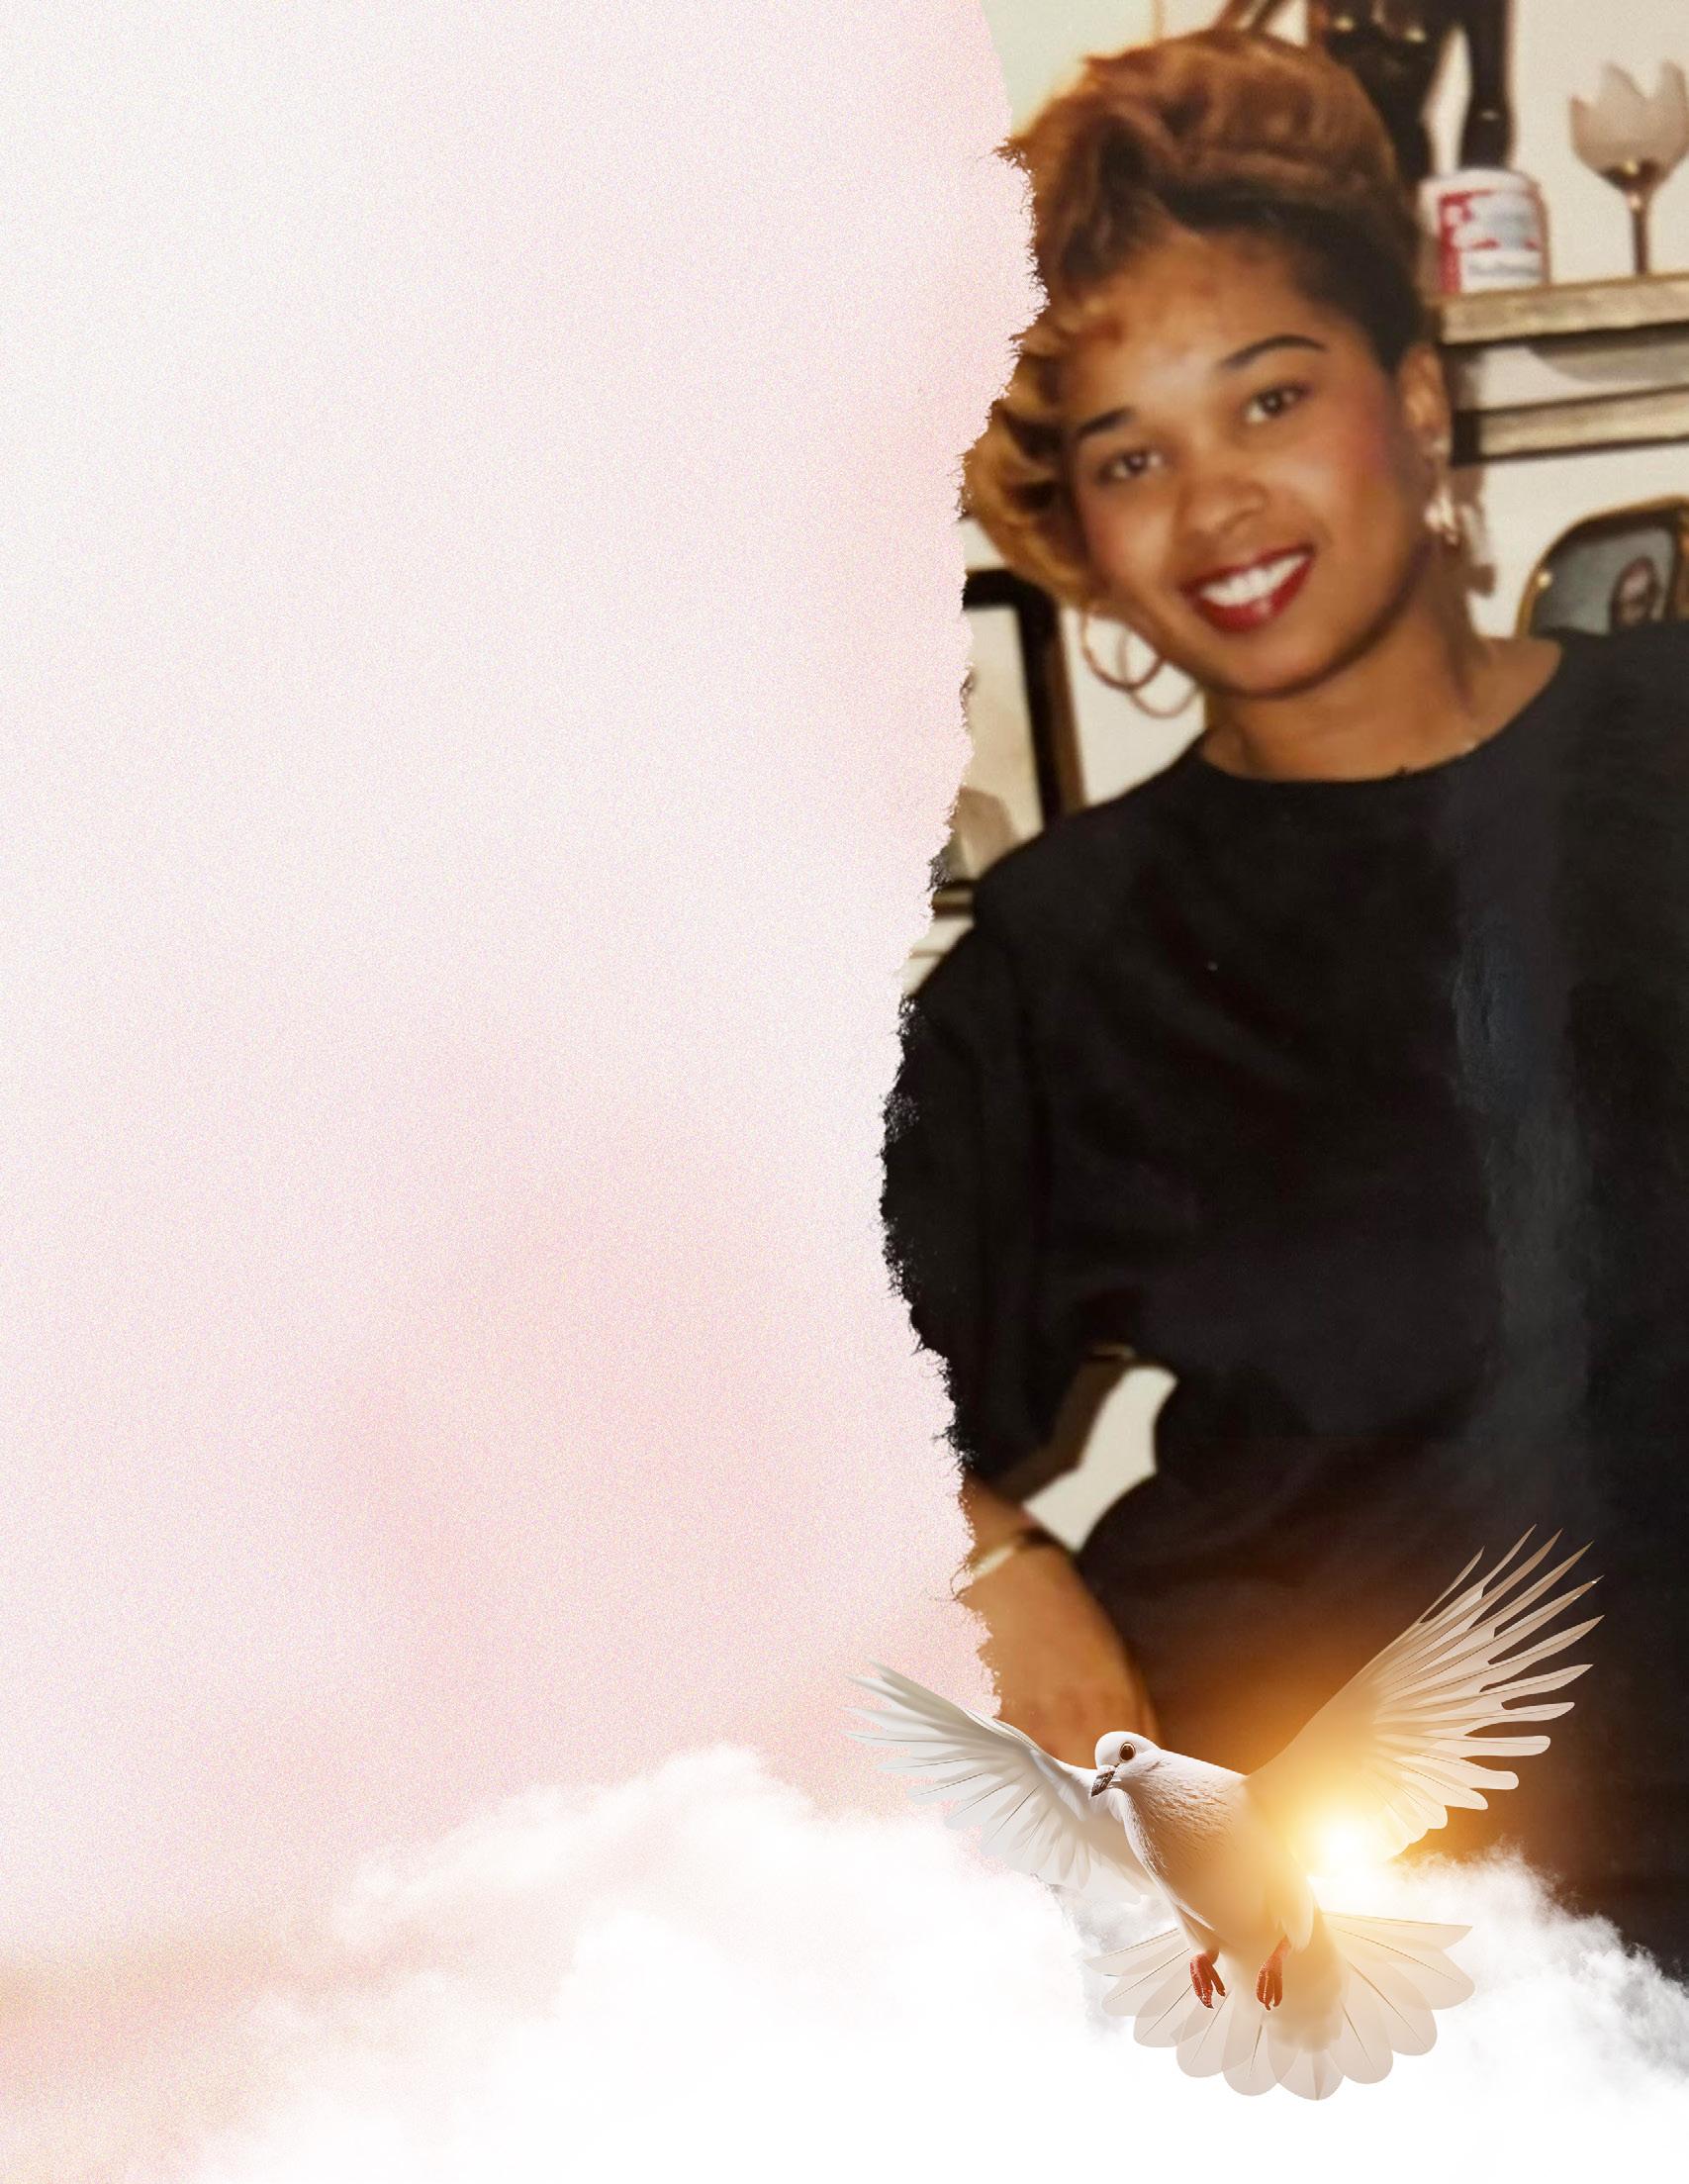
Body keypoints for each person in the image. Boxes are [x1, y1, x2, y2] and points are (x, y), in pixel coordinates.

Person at [881, 27, 1689, 1972]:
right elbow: (804, 1410)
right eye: (1130, 457)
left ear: (1413, 400)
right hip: (1377, 1958)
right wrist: (1007, 1580)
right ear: (1084, 543)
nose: (1216, 502)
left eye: (1267, 396)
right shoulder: (1064, 959)